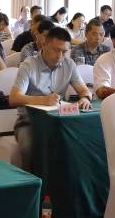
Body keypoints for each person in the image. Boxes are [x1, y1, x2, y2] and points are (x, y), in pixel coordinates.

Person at [9, 27, 92, 170]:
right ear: (44, 45)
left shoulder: (69, 65)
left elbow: (85, 91)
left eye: (64, 52)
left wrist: (85, 99)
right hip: (29, 122)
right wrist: (43, 100)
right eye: (56, 50)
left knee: (80, 143)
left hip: (59, 122)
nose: (60, 56)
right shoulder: (28, 65)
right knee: (28, 147)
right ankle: (32, 182)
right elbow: (14, 98)